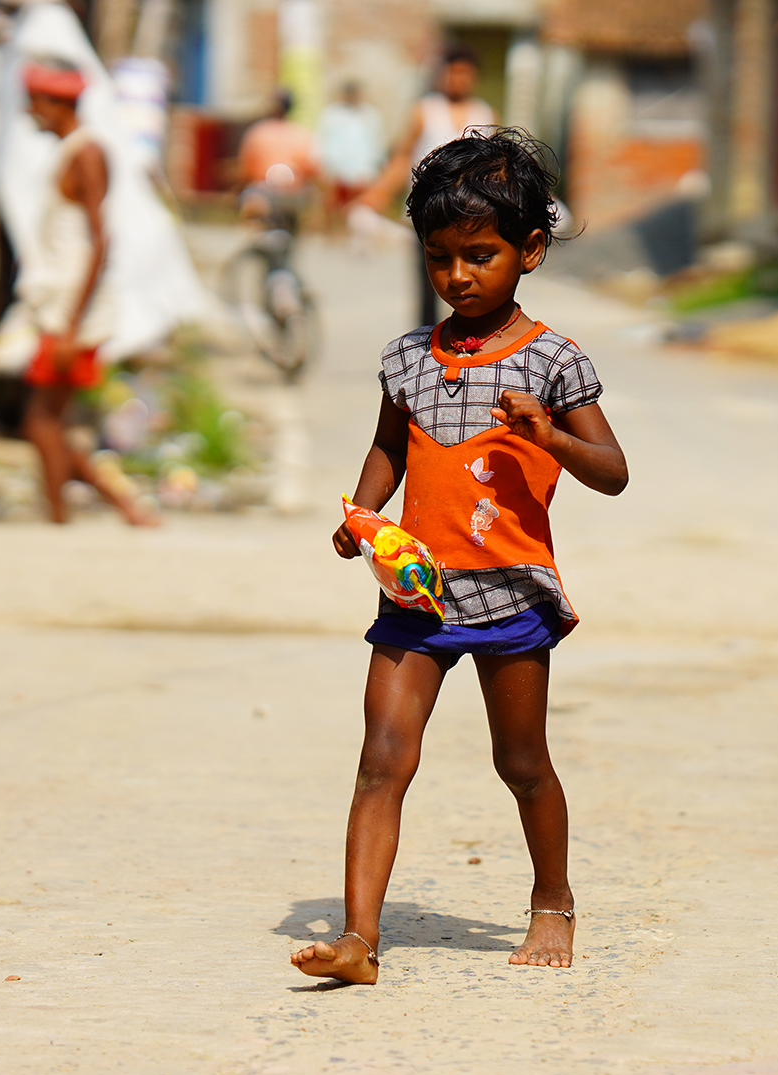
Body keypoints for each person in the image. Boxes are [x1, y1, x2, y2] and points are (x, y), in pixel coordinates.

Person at [290, 130, 628, 985]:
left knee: (520, 762)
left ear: (531, 250)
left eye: (481, 255)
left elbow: (614, 473)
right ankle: (359, 939)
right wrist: (364, 512)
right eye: (440, 258)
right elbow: (388, 448)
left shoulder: (554, 360)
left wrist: (549, 433)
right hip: (417, 593)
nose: (459, 276)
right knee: (381, 761)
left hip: (512, 595)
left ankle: (553, 901)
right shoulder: (407, 358)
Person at [17, 59, 154, 526]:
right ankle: (114, 508)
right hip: (61, 305)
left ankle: (63, 514)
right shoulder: (70, 151)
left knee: (41, 420)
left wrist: (73, 323)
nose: (28, 111)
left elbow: (101, 239)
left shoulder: (87, 152)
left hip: (74, 310)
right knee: (46, 421)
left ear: (55, 104)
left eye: (34, 102)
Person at [354, 46, 496, 328]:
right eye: (452, 73)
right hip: (430, 213)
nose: (458, 79)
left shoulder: (484, 113)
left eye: (464, 74)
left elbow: (493, 167)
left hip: (472, 213)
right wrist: (376, 195)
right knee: (431, 282)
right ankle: (428, 346)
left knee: (474, 281)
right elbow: (402, 157)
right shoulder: (425, 111)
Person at [317, 80, 386, 210]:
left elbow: (376, 146)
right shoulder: (332, 114)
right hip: (338, 176)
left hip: (364, 175)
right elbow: (324, 144)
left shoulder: (370, 115)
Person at [236, 90, 320, 190]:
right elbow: (312, 169)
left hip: (264, 189)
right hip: (295, 191)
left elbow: (247, 170)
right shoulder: (302, 133)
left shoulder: (258, 131)